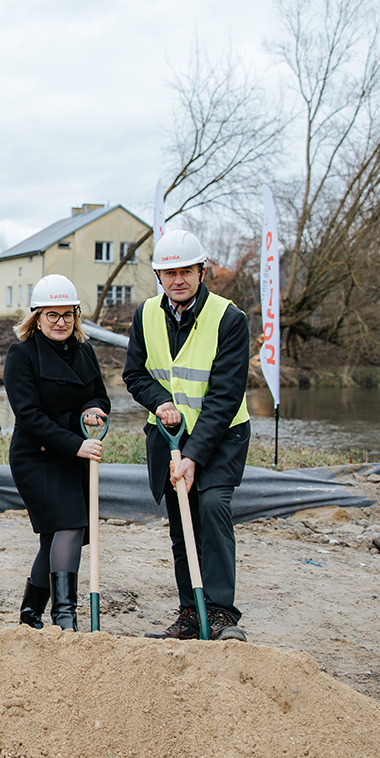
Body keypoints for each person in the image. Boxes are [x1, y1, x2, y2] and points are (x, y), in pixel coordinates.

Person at [122, 230, 250, 642]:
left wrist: (194, 455)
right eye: (169, 272)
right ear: (159, 275)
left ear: (201, 271)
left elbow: (225, 396)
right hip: (168, 437)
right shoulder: (144, 315)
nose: (178, 279)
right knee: (181, 522)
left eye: (186, 271)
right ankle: (190, 614)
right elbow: (135, 374)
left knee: (212, 506)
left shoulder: (229, 319)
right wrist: (159, 401)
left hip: (221, 436)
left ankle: (221, 613)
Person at [3, 275, 109, 631]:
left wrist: (92, 411)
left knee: (56, 534)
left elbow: (99, 396)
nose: (61, 322)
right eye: (52, 315)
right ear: (37, 317)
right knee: (69, 524)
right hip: (38, 454)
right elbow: (29, 416)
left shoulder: (85, 351)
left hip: (74, 453)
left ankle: (31, 613)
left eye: (68, 314)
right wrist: (76, 442)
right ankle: (65, 616)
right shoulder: (22, 354)